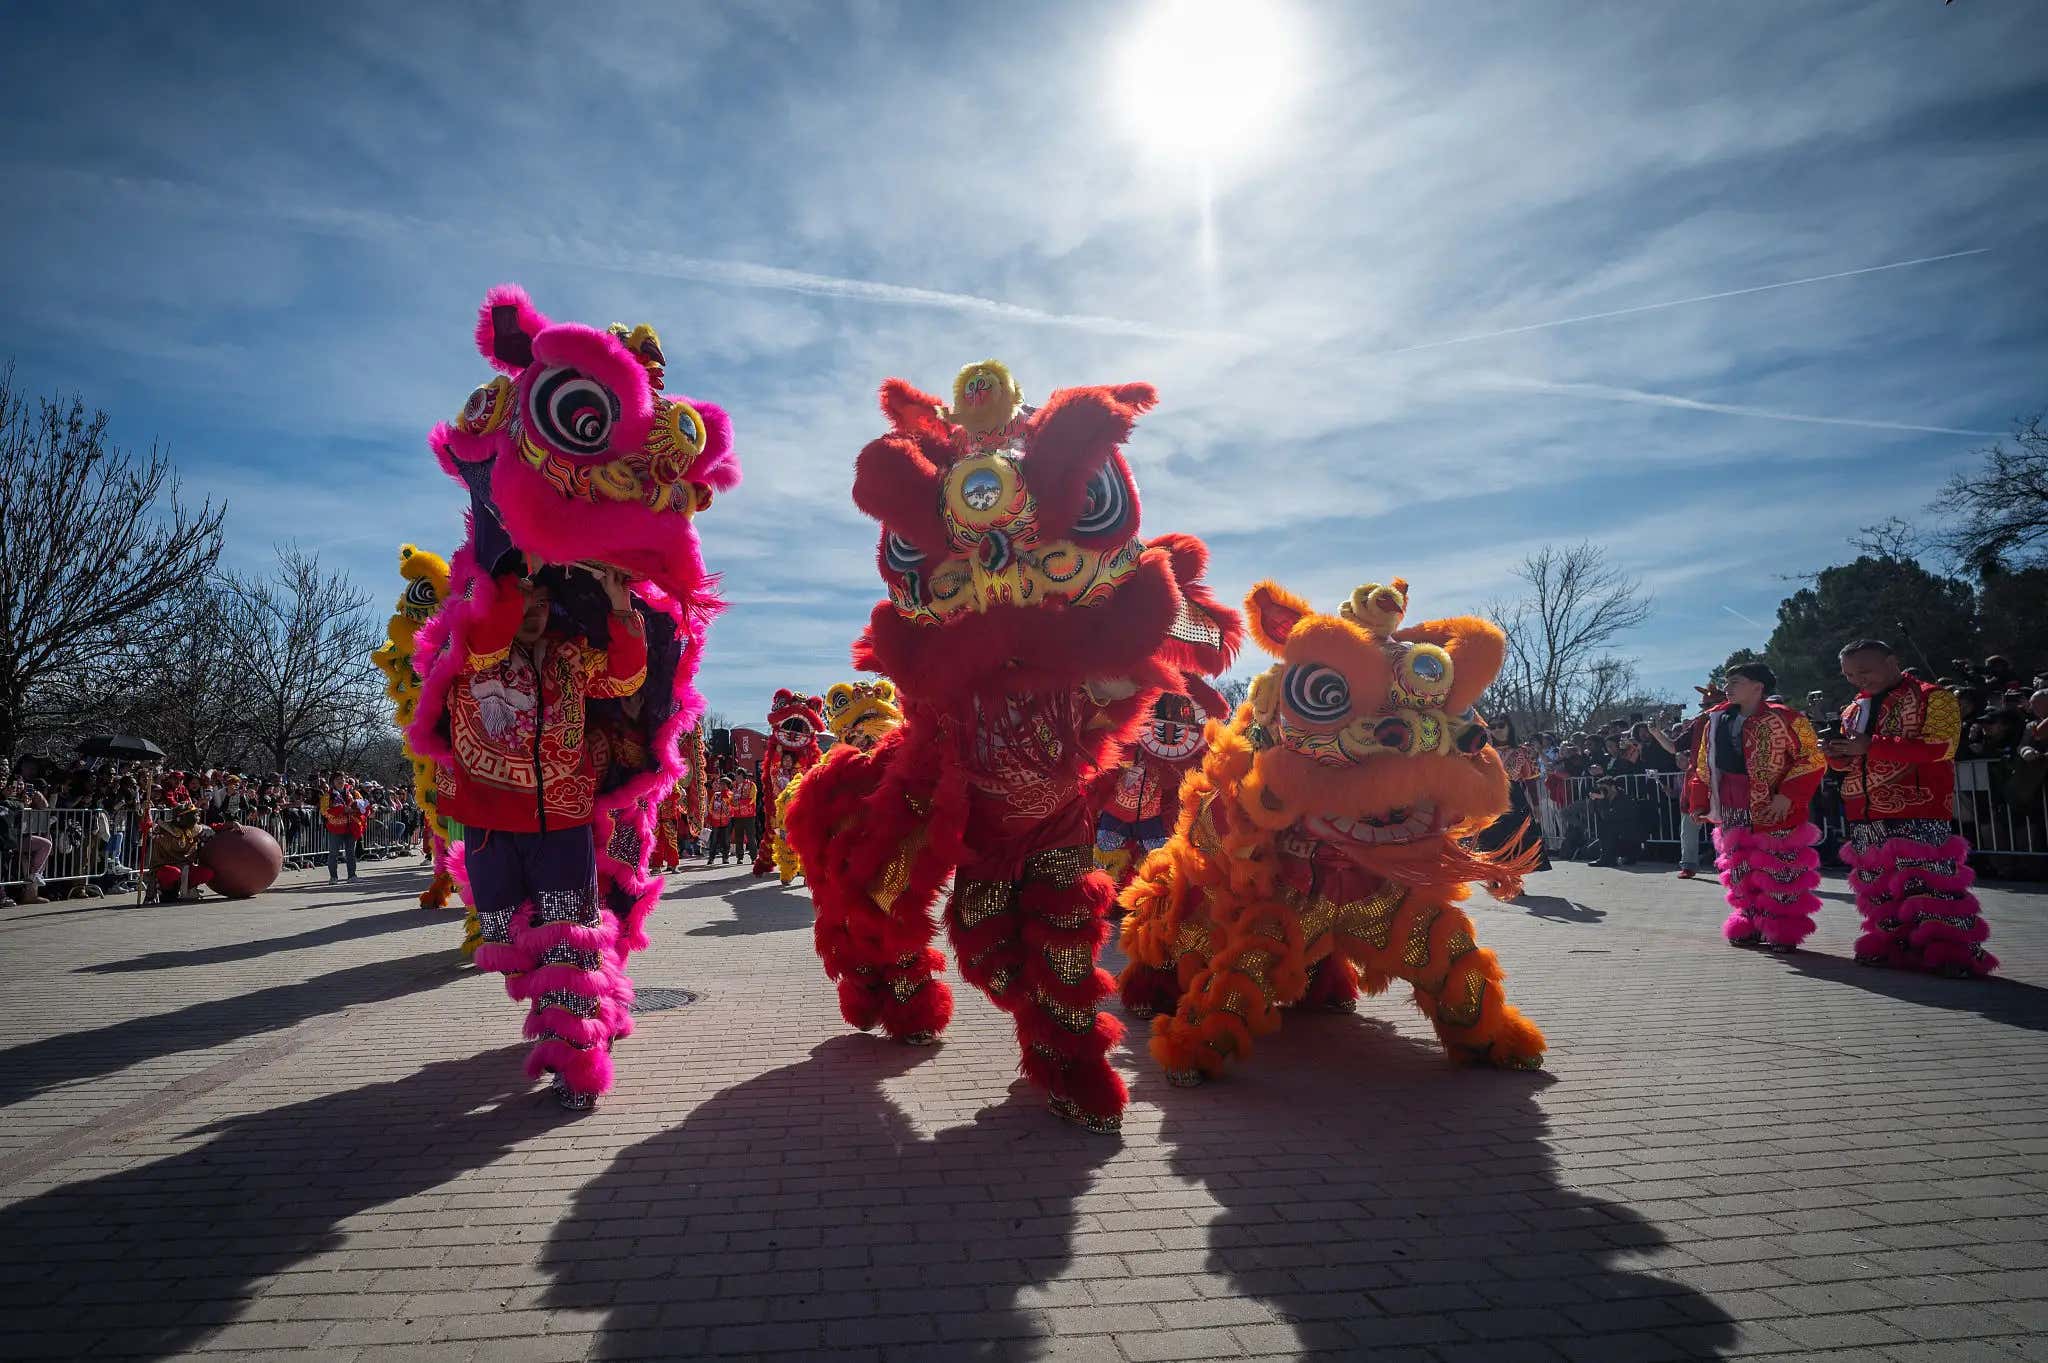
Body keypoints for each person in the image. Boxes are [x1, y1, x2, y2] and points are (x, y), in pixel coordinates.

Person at [441, 568, 648, 1110]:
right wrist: (515, 573)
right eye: (519, 598)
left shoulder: (569, 658)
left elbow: (626, 678)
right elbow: (486, 633)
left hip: (562, 824)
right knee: (516, 952)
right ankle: (594, 1012)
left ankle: (576, 1060)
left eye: (538, 601)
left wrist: (620, 607)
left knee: (568, 945)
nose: (529, 610)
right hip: (491, 828)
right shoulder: (471, 650)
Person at [1826, 639, 1997, 977]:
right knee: (1878, 889)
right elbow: (1848, 763)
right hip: (1863, 810)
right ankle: (1893, 947)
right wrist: (1836, 754)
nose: (1858, 680)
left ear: (1892, 661)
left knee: (1930, 884)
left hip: (1917, 806)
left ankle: (1955, 954)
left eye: (1865, 670)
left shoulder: (1933, 697)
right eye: (1849, 674)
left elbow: (1941, 747)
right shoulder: (1852, 709)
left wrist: (1870, 745)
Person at [1687, 663, 1825, 952]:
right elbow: (1702, 765)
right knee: (1741, 868)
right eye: (1727, 681)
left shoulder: (1787, 718)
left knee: (1780, 869)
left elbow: (1811, 758)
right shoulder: (1715, 719)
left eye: (1735, 681)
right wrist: (1700, 802)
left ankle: (1782, 929)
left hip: (1773, 802)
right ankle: (1748, 922)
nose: (1727, 687)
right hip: (1731, 803)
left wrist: (1787, 795)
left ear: (1758, 687)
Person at [1657, 686, 1724, 879]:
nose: (1706, 708)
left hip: (1725, 777)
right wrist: (1656, 732)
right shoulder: (1699, 722)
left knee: (1726, 823)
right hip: (1698, 778)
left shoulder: (1734, 721)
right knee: (1689, 822)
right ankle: (1688, 864)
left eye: (1710, 704)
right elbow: (1674, 746)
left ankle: (1727, 862)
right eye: (1704, 705)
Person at [151, 804, 215, 903]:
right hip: (164, 865)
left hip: (185, 866)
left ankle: (189, 889)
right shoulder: (163, 829)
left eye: (196, 814)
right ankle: (164, 891)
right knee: (174, 872)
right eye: (192, 815)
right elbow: (147, 828)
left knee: (207, 873)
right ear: (180, 818)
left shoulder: (195, 829)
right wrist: (146, 816)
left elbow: (214, 828)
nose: (196, 817)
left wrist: (232, 824)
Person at [320, 776, 360, 882]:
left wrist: (365, 808)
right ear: (333, 782)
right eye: (337, 779)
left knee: (351, 852)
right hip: (336, 828)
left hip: (350, 826)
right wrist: (341, 810)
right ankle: (333, 877)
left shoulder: (352, 793)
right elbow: (324, 811)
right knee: (334, 853)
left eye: (342, 779)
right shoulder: (328, 795)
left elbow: (360, 805)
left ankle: (352, 875)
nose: (340, 781)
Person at [704, 776, 733, 866]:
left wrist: (726, 815)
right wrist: (713, 815)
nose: (720, 786)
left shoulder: (731, 794)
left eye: (722, 784)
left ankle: (725, 857)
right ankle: (711, 858)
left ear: (727, 785)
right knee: (714, 840)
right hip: (716, 821)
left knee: (726, 840)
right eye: (720, 784)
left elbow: (732, 808)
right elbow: (711, 806)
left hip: (726, 821)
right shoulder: (716, 795)